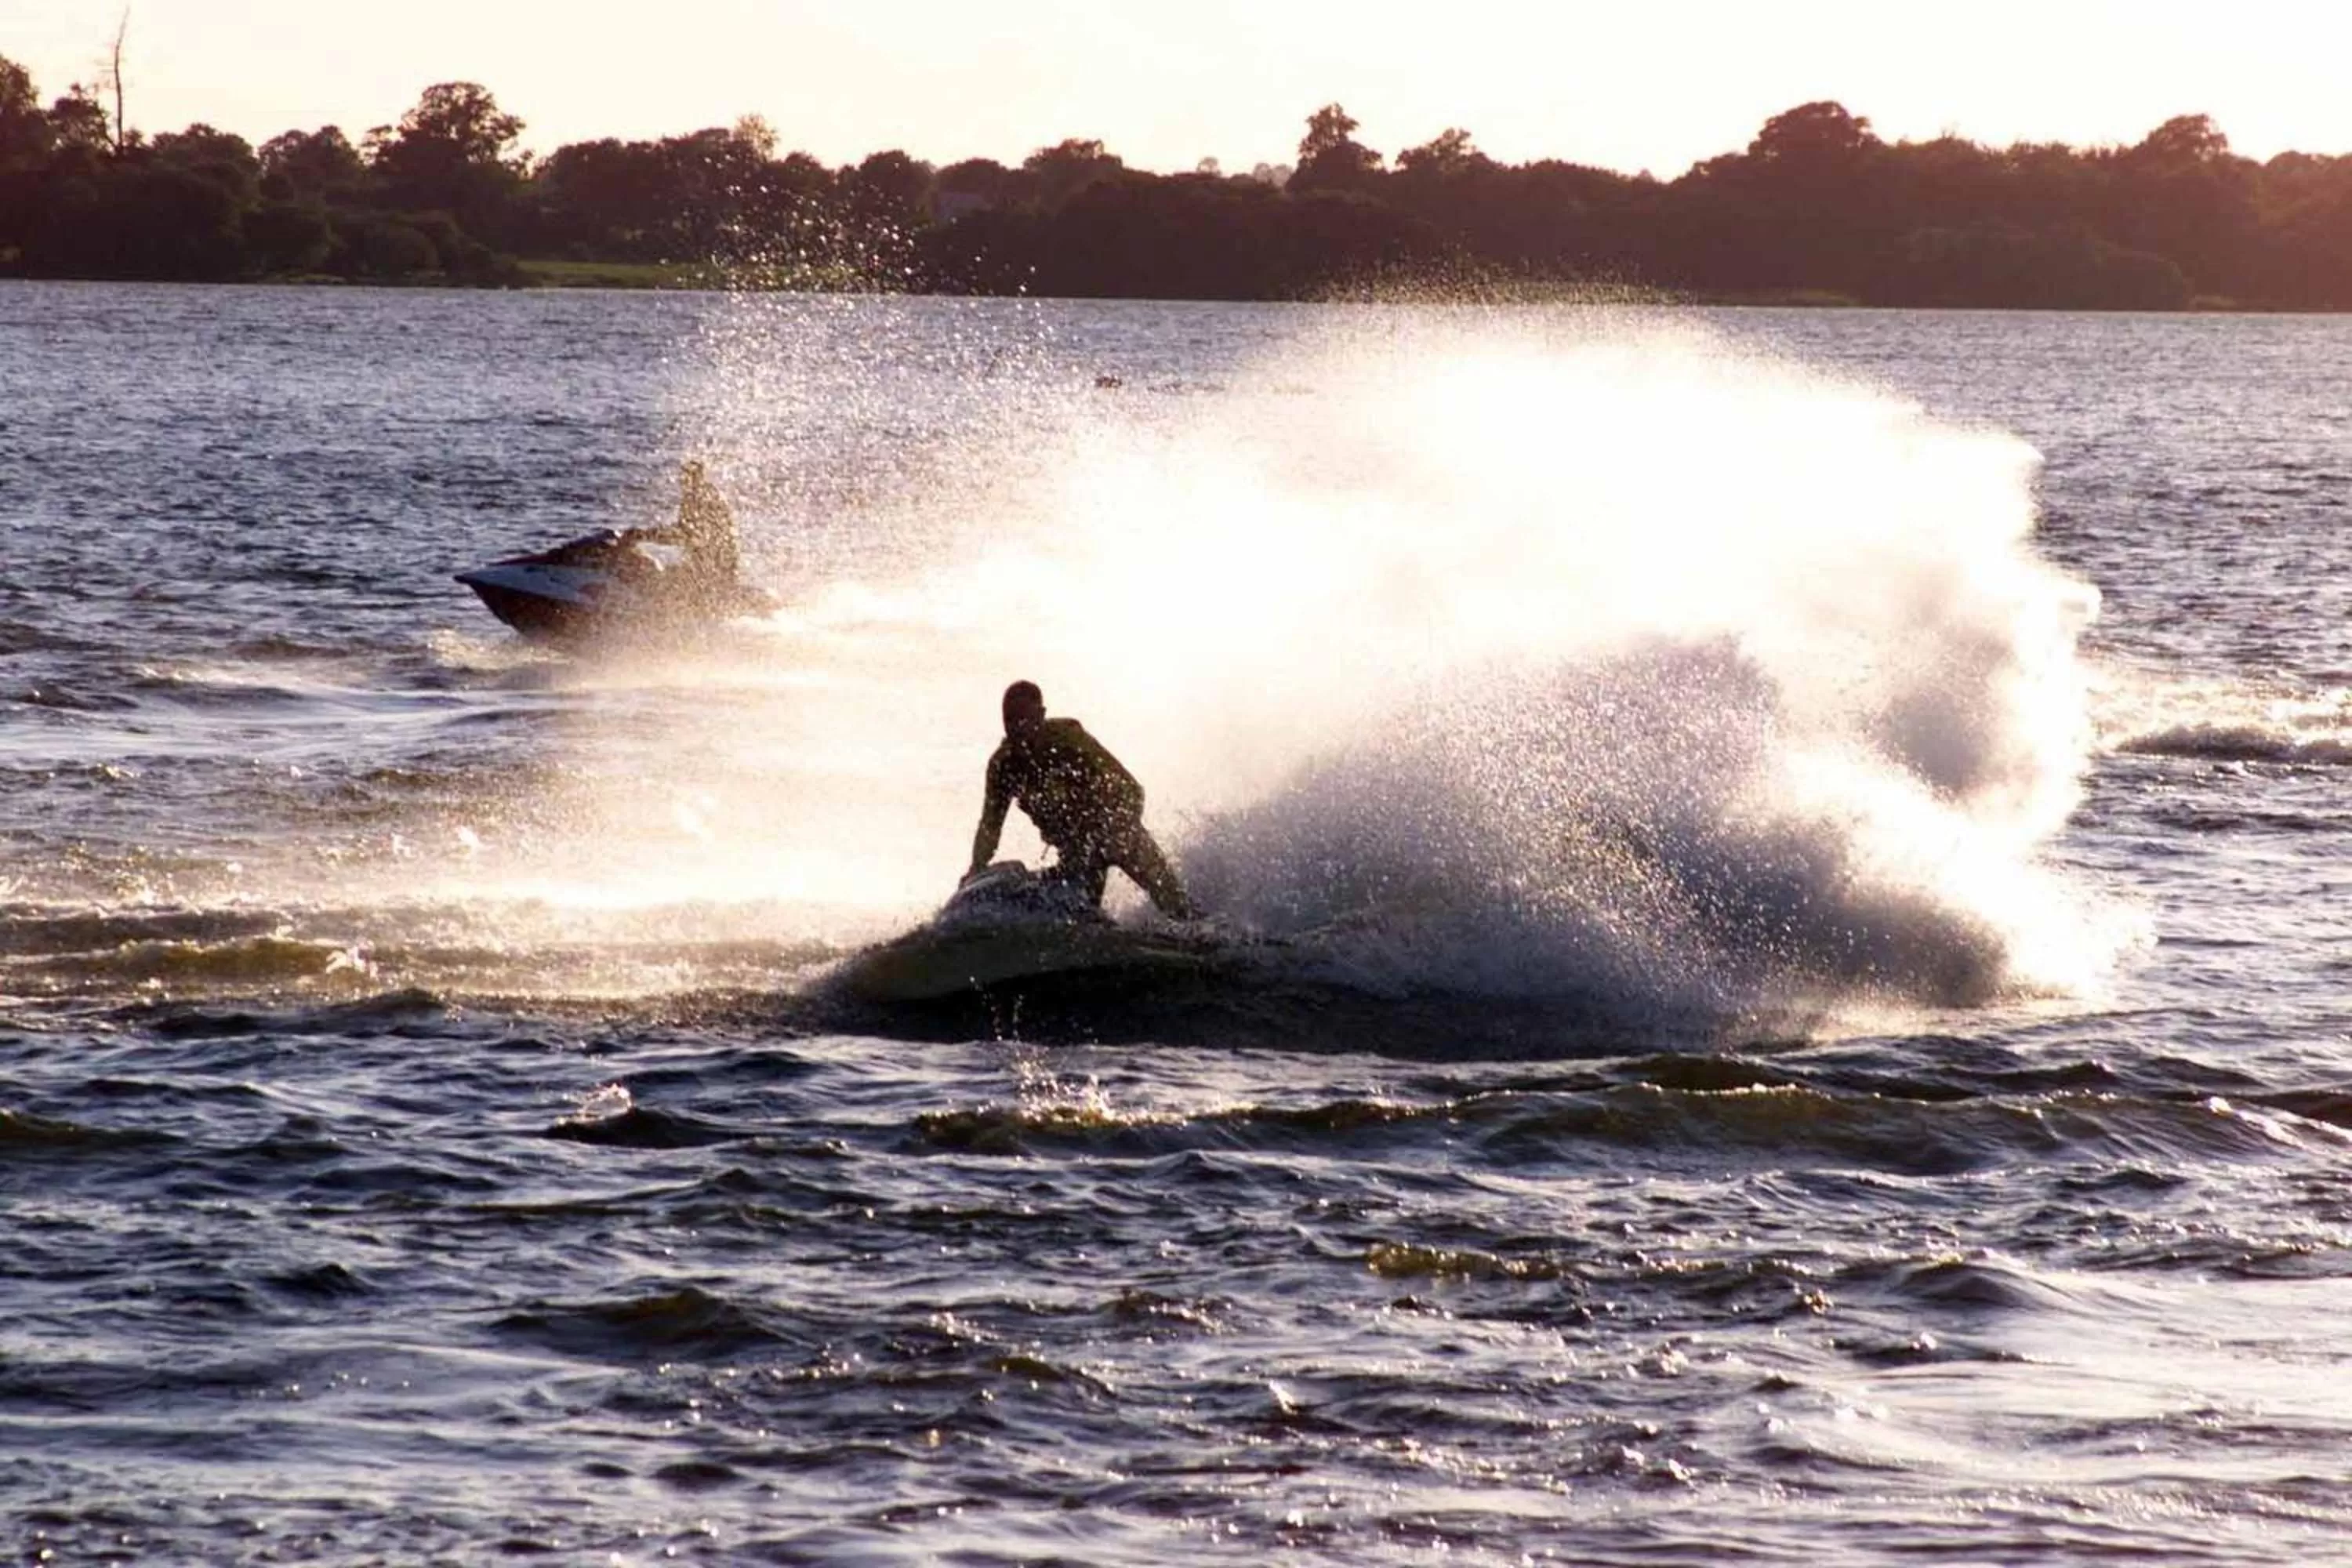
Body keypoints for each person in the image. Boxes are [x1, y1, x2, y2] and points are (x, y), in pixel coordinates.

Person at [967, 681, 1197, 920]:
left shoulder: (1068, 740)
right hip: (1076, 851)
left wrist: (1115, 826)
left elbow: (1130, 788)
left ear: (1041, 716)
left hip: (1117, 834)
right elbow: (990, 825)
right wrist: (977, 866)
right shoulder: (1003, 766)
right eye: (1010, 721)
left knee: (1177, 905)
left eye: (1024, 720)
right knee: (1078, 918)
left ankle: (1196, 927)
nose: (1017, 729)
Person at [634, 459, 741, 602]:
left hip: (713, 569)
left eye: (687, 477)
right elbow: (687, 532)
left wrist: (648, 535)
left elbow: (690, 536)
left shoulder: (700, 498)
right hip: (717, 564)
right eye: (682, 476)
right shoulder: (704, 494)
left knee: (654, 581)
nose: (682, 481)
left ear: (698, 477)